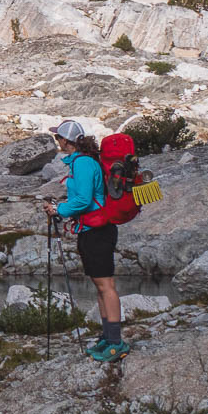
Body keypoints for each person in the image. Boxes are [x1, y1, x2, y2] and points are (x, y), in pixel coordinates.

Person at [43, 119, 129, 362]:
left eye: (58, 137)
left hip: (97, 231)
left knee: (106, 286)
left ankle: (115, 342)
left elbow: (82, 200)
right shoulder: (86, 161)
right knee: (101, 286)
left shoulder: (82, 164)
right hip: (95, 229)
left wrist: (58, 209)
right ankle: (107, 337)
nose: (57, 141)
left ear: (67, 141)